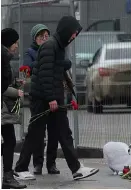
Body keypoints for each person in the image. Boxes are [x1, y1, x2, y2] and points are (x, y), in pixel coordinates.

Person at [14, 16, 99, 181]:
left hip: (54, 97)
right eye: (73, 33)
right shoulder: (50, 46)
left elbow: (57, 71)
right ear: (66, 31)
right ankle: (20, 167)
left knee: (64, 133)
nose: (74, 37)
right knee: (35, 134)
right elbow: (45, 75)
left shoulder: (58, 46)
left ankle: (76, 169)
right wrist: (52, 98)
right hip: (43, 98)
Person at [23, 24, 60, 175]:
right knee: (38, 132)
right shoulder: (30, 52)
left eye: (46, 36)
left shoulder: (53, 50)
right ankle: (37, 163)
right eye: (41, 36)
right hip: (38, 97)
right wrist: (43, 61)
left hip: (53, 95)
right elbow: (26, 70)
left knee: (54, 131)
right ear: (35, 38)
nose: (44, 39)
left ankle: (51, 164)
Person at [1, 28, 27, 189]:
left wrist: (16, 83)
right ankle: (7, 176)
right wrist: (15, 91)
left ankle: (8, 174)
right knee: (10, 140)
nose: (17, 45)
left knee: (9, 140)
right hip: (3, 106)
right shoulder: (2, 57)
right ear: (9, 42)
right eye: (15, 42)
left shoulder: (5, 57)